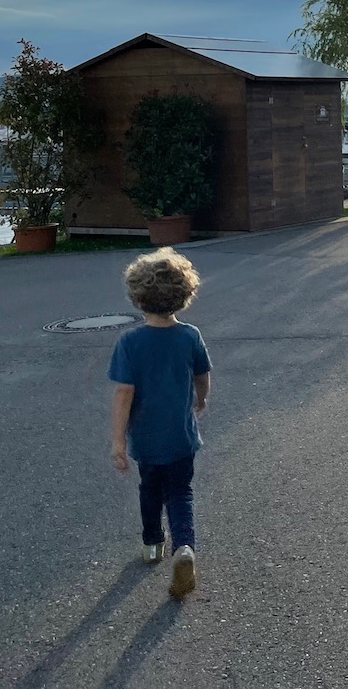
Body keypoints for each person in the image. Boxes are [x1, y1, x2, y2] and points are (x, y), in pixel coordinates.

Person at [109, 248, 212, 600]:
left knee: (150, 489)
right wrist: (201, 399)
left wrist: (118, 442)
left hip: (147, 440)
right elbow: (202, 375)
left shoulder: (129, 342)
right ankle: (185, 547)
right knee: (181, 492)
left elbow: (124, 392)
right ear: (183, 295)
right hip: (182, 436)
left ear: (138, 297)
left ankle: (153, 543)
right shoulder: (189, 335)